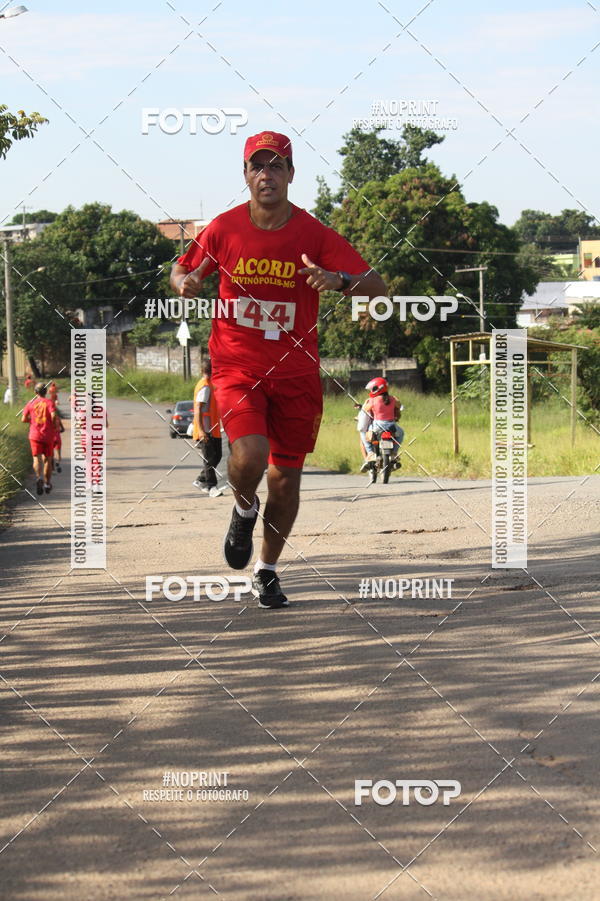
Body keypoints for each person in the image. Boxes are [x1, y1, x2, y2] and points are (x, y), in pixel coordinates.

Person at [170, 130, 386, 609]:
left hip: (296, 375)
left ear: (291, 173)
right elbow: (184, 270)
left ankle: (266, 570)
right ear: (245, 175)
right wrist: (185, 281)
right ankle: (244, 507)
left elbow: (378, 286)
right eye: (257, 166)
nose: (266, 175)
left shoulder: (314, 234)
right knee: (248, 453)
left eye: (276, 166)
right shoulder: (223, 228)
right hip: (237, 367)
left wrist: (339, 280)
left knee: (286, 480)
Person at [191, 358, 223, 498]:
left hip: (214, 429)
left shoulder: (211, 385)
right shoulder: (204, 386)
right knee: (210, 459)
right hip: (207, 430)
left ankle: (200, 480)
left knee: (217, 456)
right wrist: (202, 431)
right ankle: (211, 487)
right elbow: (198, 409)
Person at [22, 382, 57, 495]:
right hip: (48, 435)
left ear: (35, 392)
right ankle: (47, 483)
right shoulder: (49, 402)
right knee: (48, 459)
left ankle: (38, 478)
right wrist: (53, 425)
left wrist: (31, 421)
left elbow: (23, 419)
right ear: (46, 392)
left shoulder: (30, 403)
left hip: (34, 435)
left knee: (36, 459)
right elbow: (53, 415)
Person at [362, 377, 403, 460]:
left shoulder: (373, 400)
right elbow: (399, 406)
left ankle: (370, 453)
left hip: (377, 426)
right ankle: (394, 453)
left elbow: (365, 409)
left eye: (373, 389)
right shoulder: (392, 399)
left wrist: (365, 403)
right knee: (401, 433)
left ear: (378, 389)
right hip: (391, 426)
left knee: (366, 434)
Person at [53, 408, 65, 473]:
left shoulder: (48, 419)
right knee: (58, 453)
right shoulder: (58, 418)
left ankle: (52, 468)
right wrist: (58, 431)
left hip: (51, 437)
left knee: (50, 454)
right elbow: (63, 429)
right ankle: (58, 464)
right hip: (57, 437)